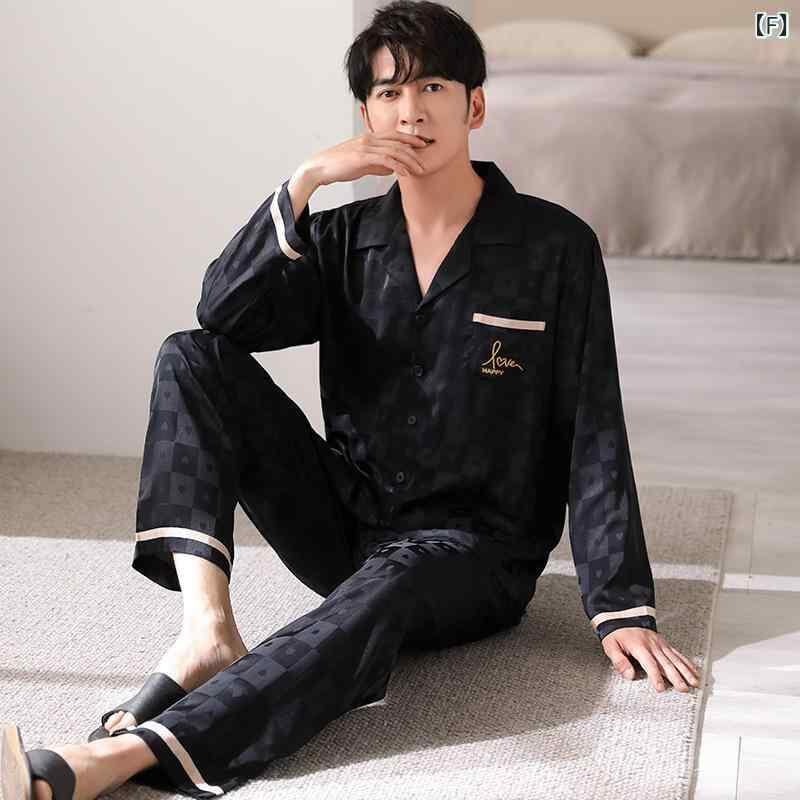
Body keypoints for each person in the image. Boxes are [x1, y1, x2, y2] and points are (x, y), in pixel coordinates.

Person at [11, 2, 700, 798]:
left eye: (432, 87)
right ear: (366, 115)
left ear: (475, 105)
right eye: (387, 92)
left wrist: (621, 606)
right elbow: (222, 314)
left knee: (399, 573)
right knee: (189, 356)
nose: (410, 111)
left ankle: (119, 758)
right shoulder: (342, 240)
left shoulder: (554, 247)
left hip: (477, 553)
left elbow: (593, 425)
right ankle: (207, 629)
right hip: (348, 525)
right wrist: (305, 181)